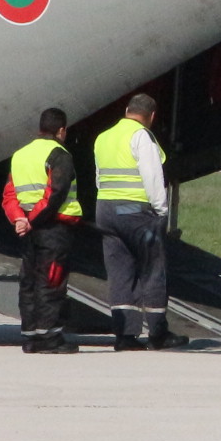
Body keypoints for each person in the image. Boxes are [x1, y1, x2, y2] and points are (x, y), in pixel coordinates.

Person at [93, 92, 174, 350]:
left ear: (127, 110)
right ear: (151, 116)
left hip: (105, 210)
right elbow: (152, 176)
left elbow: (98, 177)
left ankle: (125, 336)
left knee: (119, 273)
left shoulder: (103, 137)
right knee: (152, 269)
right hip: (134, 212)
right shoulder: (142, 136)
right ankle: (158, 333)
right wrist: (161, 211)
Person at [3, 106, 81, 354]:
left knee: (29, 281)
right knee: (51, 280)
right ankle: (49, 338)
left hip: (27, 230)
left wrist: (19, 219)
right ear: (61, 130)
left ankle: (31, 336)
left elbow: (9, 195)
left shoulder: (20, 155)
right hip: (52, 227)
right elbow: (54, 194)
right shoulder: (59, 154)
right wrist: (33, 220)